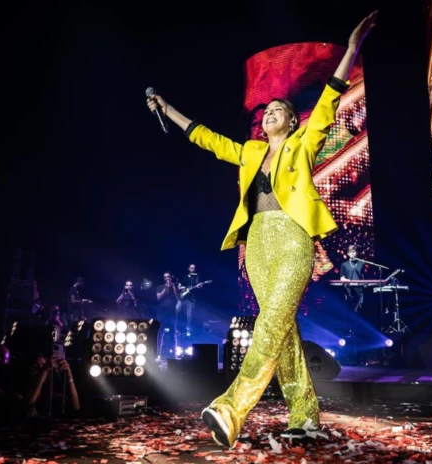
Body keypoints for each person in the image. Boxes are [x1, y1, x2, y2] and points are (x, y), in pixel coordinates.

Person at [147, 11, 377, 447]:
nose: (270, 112)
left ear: (291, 121)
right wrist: (167, 108)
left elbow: (329, 100)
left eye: (278, 110)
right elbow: (206, 138)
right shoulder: (250, 152)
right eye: (267, 109)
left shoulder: (303, 144)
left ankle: (231, 407)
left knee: (270, 323)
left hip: (292, 238)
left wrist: (351, 49)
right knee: (281, 329)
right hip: (256, 243)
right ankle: (305, 416)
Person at [155, 272, 182, 357]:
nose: (167, 278)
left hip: (172, 313)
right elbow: (159, 297)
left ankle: (174, 355)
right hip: (161, 313)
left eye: (168, 277)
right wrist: (166, 288)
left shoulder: (175, 286)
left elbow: (178, 297)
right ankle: (158, 354)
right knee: (160, 333)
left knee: (173, 333)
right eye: (165, 277)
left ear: (170, 277)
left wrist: (173, 286)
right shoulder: (160, 287)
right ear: (164, 278)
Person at [178, 264, 206, 336]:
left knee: (189, 315)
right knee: (178, 310)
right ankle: (178, 329)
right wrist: (184, 288)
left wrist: (200, 286)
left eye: (194, 268)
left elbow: (200, 287)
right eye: (191, 268)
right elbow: (179, 287)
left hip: (191, 299)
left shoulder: (197, 277)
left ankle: (188, 330)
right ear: (188, 269)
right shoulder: (185, 277)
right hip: (183, 298)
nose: (192, 270)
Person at [340, 245, 365, 313]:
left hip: (359, 289)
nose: (352, 253)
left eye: (354, 252)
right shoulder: (344, 264)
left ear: (356, 253)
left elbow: (363, 276)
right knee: (349, 308)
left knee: (359, 309)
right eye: (350, 252)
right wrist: (348, 280)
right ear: (348, 253)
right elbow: (342, 278)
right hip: (349, 289)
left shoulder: (361, 263)